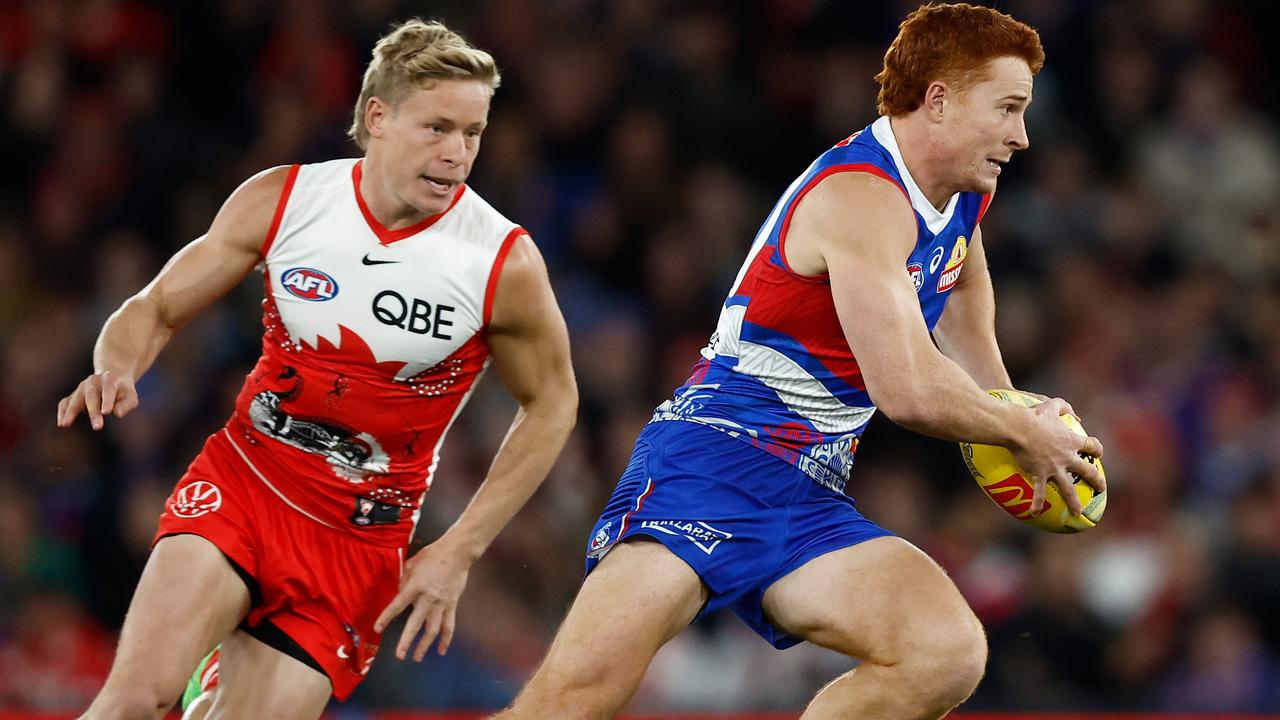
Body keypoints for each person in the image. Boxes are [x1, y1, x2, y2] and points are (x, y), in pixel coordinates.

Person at [494, 4, 1105, 719]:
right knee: (570, 702)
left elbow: (962, 294)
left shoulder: (966, 189)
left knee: (944, 651)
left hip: (810, 491)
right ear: (939, 99)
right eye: (1007, 108)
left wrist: (1010, 409)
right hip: (710, 463)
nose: (1021, 135)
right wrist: (1023, 433)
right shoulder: (860, 197)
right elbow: (905, 387)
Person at [57, 19, 577, 720]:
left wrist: (461, 548)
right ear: (377, 117)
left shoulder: (500, 261)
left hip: (357, 546)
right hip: (245, 484)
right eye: (438, 128)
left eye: (473, 133)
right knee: (135, 700)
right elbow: (153, 308)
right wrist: (115, 367)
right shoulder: (287, 199)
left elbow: (553, 404)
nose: (458, 154)